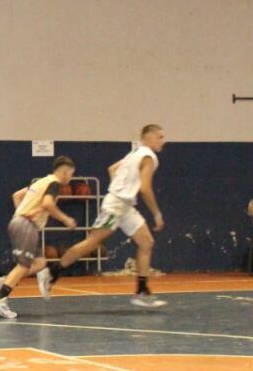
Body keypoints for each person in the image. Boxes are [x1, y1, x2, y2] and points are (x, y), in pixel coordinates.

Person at [44, 125, 167, 307]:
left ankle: (141, 292)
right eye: (160, 137)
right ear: (149, 138)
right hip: (116, 205)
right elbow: (145, 189)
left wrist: (120, 189)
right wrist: (157, 214)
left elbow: (112, 169)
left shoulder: (134, 154)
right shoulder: (148, 157)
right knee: (92, 242)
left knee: (146, 243)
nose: (163, 141)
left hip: (124, 205)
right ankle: (53, 272)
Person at [0, 156, 78, 319]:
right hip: (26, 225)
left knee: (40, 263)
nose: (70, 177)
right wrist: (66, 219)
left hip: (21, 223)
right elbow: (48, 204)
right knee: (23, 265)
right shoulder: (54, 184)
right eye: (71, 174)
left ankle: (4, 281)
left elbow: (16, 195)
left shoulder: (40, 182)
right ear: (65, 172)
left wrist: (21, 214)